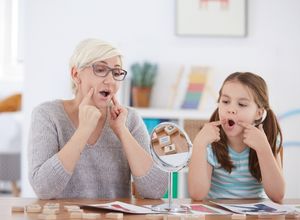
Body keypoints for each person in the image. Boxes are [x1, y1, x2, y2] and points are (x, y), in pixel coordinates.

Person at [28, 38, 168, 199]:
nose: (110, 81)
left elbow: (156, 190)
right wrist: (83, 131)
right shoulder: (47, 115)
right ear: (75, 74)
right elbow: (43, 189)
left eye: (116, 73)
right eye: (100, 70)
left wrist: (122, 131)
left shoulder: (129, 119)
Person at [188, 72, 285, 203]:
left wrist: (263, 148)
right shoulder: (210, 143)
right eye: (226, 101)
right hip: (217, 213)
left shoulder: (268, 140)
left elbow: (277, 195)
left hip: (254, 215)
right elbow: (197, 194)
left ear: (259, 113)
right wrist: (199, 144)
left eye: (242, 104)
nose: (231, 109)